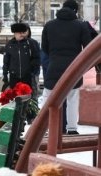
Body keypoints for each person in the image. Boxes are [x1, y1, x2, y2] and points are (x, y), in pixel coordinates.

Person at [41, 0, 91, 135]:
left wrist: (54, 55)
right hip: (73, 68)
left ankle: (47, 128)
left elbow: (44, 48)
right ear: (75, 10)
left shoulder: (49, 25)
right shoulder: (80, 26)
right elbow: (88, 47)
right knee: (73, 97)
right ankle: (72, 128)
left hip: (54, 66)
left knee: (48, 97)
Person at [3, 23, 40, 92]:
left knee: (27, 97)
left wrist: (32, 72)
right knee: (15, 97)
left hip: (27, 76)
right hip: (14, 77)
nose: (22, 34)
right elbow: (6, 61)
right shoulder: (9, 44)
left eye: (23, 32)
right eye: (19, 33)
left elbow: (36, 58)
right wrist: (5, 74)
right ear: (15, 33)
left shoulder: (30, 43)